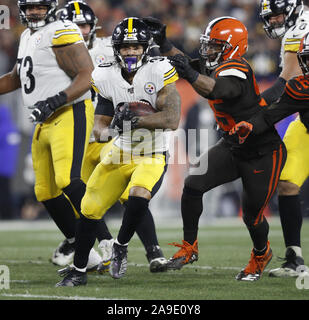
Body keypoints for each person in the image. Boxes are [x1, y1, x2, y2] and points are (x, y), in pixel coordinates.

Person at [143, 16, 287, 281]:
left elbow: (217, 90)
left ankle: (261, 253)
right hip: (233, 145)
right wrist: (164, 43)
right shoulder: (218, 61)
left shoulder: (236, 68)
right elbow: (185, 63)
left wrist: (188, 72)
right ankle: (189, 248)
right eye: (207, 45)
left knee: (252, 216)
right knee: (194, 184)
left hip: (262, 151)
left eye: (214, 45)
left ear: (232, 46)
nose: (207, 51)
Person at [56, 17, 181, 287]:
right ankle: (78, 271)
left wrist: (135, 119)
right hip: (119, 152)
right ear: (117, 49)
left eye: (136, 47)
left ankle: (121, 246)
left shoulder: (160, 69)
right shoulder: (104, 74)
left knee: (138, 195)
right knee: (89, 209)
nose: (131, 52)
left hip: (152, 153)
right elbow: (100, 128)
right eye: (125, 47)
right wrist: (114, 126)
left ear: (146, 48)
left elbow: (172, 119)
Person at [0, 0, 101, 270]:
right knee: (45, 191)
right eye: (30, 7)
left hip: (69, 111)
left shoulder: (62, 29)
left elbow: (86, 74)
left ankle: (107, 243)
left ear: (51, 8)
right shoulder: (26, 35)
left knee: (68, 180)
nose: (34, 12)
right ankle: (84, 251)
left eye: (40, 7)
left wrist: (56, 100)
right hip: (44, 118)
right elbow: (17, 76)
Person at [258, 0, 308, 277]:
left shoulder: (299, 30)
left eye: (278, 15)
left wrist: (252, 109)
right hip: (305, 123)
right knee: (287, 183)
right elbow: (291, 85)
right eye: (271, 17)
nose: (274, 21)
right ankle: (294, 258)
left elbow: (287, 81)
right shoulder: (297, 29)